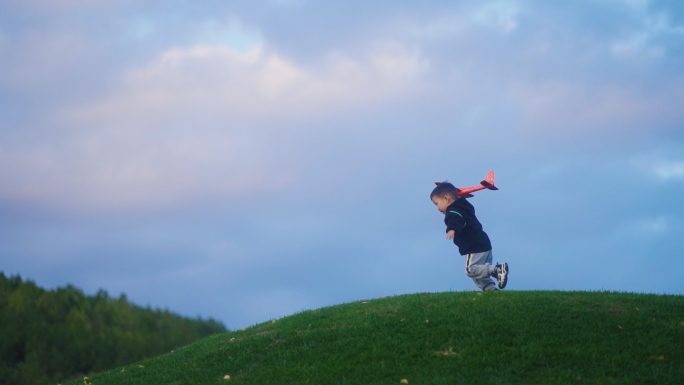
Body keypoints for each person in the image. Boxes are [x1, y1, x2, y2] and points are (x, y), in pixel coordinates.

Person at [430, 182, 508, 291]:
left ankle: (497, 269)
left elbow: (456, 220)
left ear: (446, 199)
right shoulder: (464, 207)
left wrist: (452, 229)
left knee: (470, 270)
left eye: (436, 203)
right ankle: (491, 290)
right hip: (484, 244)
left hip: (473, 246)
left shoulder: (452, 211)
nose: (437, 208)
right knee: (479, 274)